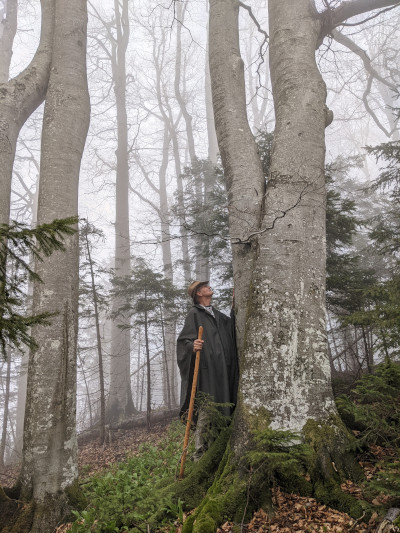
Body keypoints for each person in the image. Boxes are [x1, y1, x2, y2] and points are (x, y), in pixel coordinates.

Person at [177, 280, 238, 459]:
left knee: (223, 408)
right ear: (198, 294)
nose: (208, 287)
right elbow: (183, 342)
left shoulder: (217, 315)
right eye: (204, 287)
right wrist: (191, 346)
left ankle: (217, 453)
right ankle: (200, 455)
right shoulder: (194, 315)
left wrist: (234, 306)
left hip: (223, 373)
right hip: (207, 374)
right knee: (207, 411)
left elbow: (233, 329)